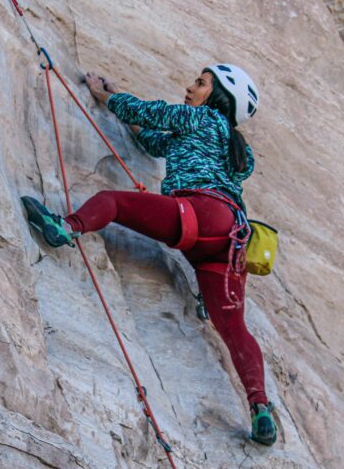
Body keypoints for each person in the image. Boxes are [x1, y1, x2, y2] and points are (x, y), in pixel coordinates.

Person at [22, 64, 277, 446]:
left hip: (200, 216)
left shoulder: (199, 118)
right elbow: (152, 141)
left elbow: (145, 112)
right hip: (230, 239)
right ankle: (259, 408)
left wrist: (106, 94)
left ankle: (65, 228)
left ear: (219, 97)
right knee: (234, 328)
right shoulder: (239, 151)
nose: (190, 86)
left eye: (201, 83)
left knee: (113, 202)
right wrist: (128, 114)